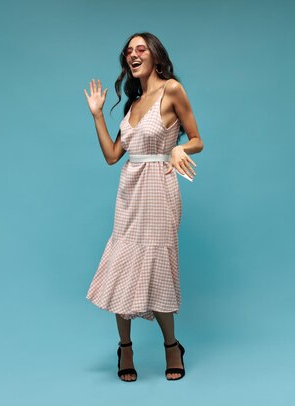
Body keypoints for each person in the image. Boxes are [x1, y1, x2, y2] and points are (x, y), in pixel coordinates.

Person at [83, 32, 204, 382]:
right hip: (129, 191)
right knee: (122, 264)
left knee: (158, 264)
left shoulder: (172, 91)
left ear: (155, 56)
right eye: (128, 52)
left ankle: (171, 346)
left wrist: (180, 149)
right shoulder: (133, 104)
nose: (133, 55)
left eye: (140, 49)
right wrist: (96, 116)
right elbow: (111, 157)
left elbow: (197, 138)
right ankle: (125, 348)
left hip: (159, 189)